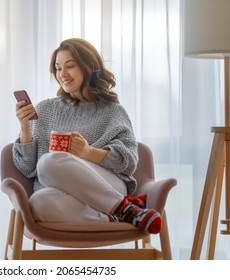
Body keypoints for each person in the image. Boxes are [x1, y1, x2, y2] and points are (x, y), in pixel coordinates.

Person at [13, 38, 161, 234]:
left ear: (88, 67)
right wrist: (25, 127)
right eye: (58, 68)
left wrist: (87, 152)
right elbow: (27, 168)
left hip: (108, 184)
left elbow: (128, 161)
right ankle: (118, 214)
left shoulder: (112, 111)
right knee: (38, 202)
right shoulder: (45, 109)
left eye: (70, 66)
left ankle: (121, 206)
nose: (62, 74)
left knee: (49, 162)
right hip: (60, 194)